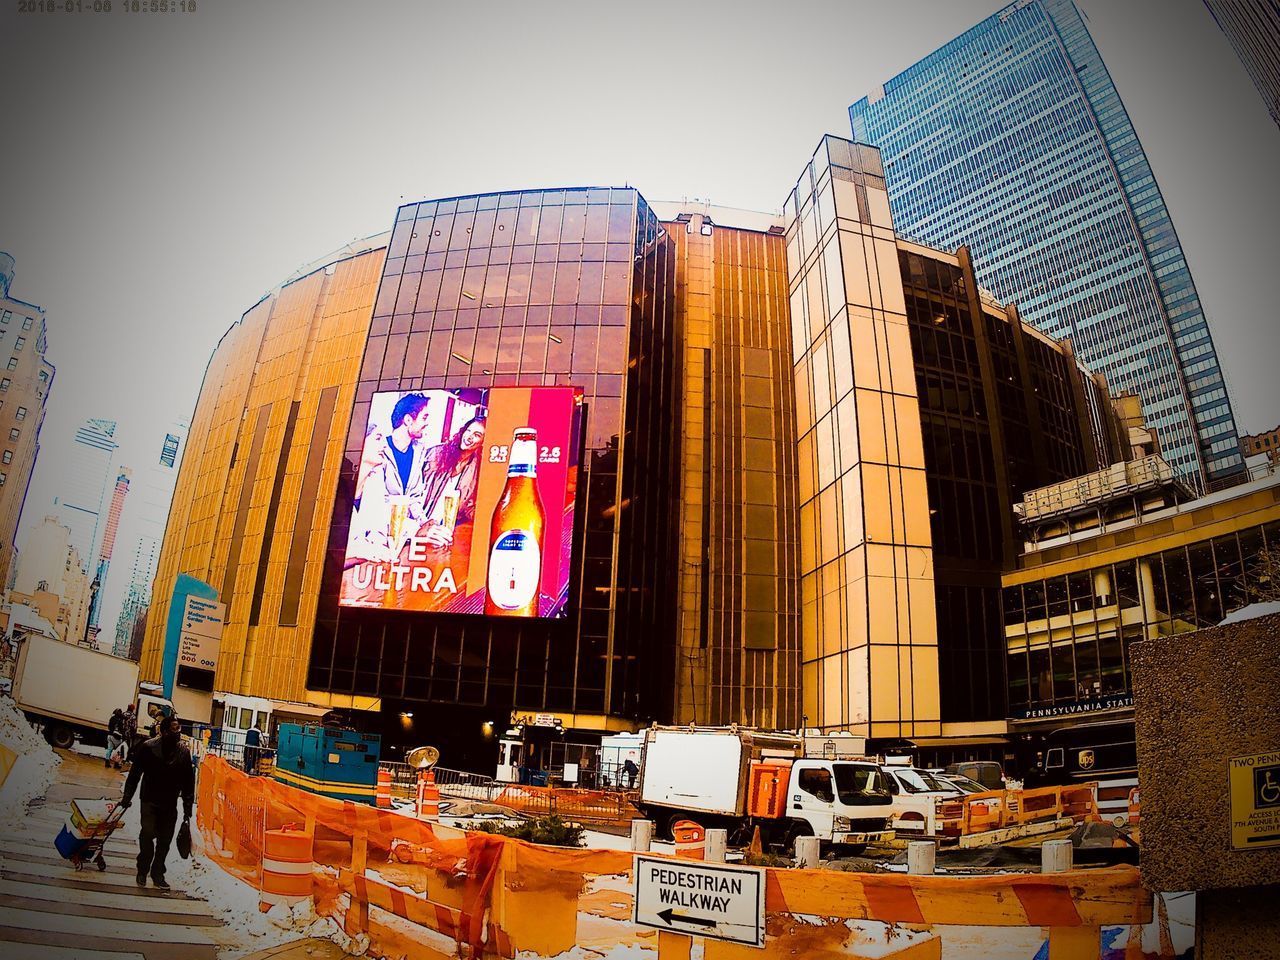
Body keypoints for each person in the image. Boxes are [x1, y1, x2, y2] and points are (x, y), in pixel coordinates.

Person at [347, 393, 434, 565]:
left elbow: (414, 498)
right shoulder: (378, 457)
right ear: (408, 420)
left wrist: (424, 525)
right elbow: (378, 510)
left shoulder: (420, 452)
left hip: (395, 541)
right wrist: (416, 530)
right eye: (424, 417)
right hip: (378, 544)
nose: (427, 423)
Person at [119, 715, 194, 889]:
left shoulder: (183, 752)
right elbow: (134, 774)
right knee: (147, 833)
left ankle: (158, 873)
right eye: (175, 729)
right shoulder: (148, 748)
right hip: (149, 800)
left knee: (165, 840)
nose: (178, 732)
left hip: (169, 803)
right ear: (165, 731)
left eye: (179, 729)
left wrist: (187, 809)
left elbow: (188, 782)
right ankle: (142, 869)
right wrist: (127, 797)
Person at [417, 415, 487, 548]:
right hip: (419, 527)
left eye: (477, 434)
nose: (469, 437)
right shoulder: (435, 454)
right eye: (468, 431)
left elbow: (469, 507)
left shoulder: (478, 469)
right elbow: (411, 491)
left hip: (444, 535)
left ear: (483, 441)